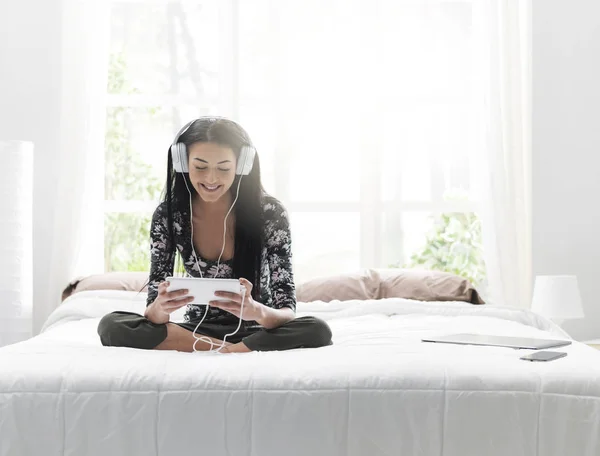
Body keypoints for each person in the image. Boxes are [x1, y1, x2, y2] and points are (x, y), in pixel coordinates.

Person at [97, 117, 332, 353]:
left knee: (317, 329)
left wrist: (255, 310)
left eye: (223, 168)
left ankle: (229, 349)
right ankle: (231, 348)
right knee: (111, 325)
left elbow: (287, 310)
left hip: (259, 329)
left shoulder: (270, 213)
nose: (211, 178)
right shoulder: (170, 215)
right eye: (200, 167)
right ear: (182, 163)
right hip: (197, 328)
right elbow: (153, 313)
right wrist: (161, 307)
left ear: (241, 166)